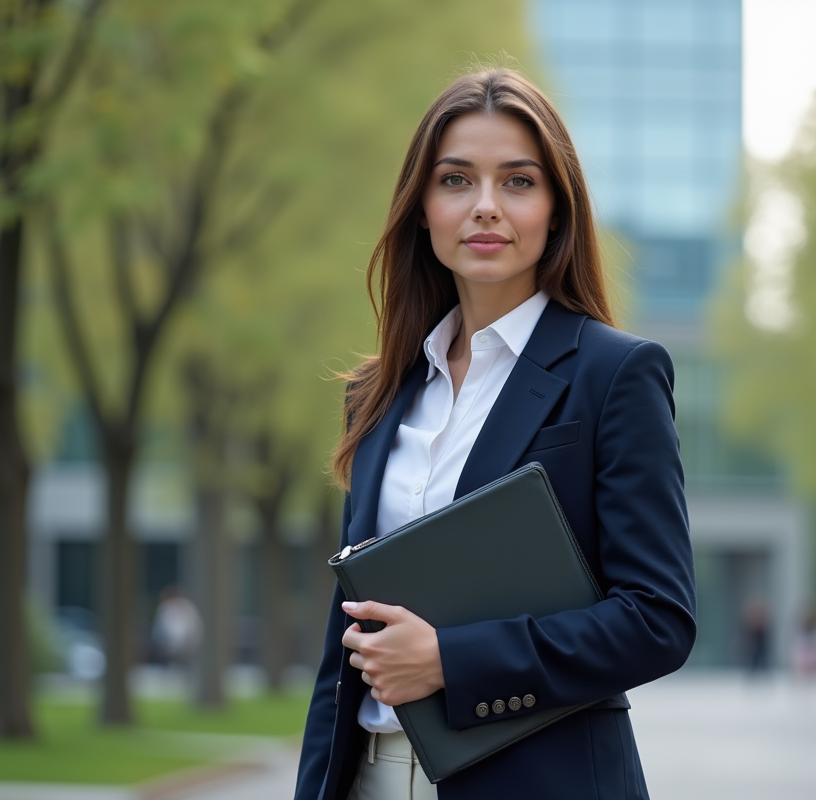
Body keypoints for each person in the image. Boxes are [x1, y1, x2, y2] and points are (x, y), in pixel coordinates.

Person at [294, 67, 696, 800]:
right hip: (368, 776)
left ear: (556, 208)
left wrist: (453, 659)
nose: (485, 207)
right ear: (422, 207)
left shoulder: (615, 375)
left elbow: (657, 619)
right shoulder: (377, 394)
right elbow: (344, 643)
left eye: (517, 182)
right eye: (455, 181)